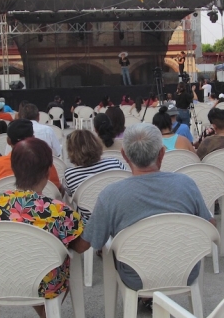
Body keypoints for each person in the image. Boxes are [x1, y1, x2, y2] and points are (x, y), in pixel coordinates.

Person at [0, 138, 90, 318]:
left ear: (14, 170)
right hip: (42, 282)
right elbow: (80, 247)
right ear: (47, 172)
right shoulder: (58, 211)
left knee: (28, 264)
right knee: (54, 266)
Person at [82, 123, 213, 303]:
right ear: (161, 153)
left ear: (124, 155)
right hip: (185, 270)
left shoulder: (110, 195)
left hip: (136, 277)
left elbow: (95, 241)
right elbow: (209, 228)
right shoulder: (186, 184)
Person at [0, 119, 61, 200]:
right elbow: (58, 192)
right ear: (33, 138)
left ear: (8, 141)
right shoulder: (45, 164)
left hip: (2, 215)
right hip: (41, 215)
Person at [63, 130, 127, 218]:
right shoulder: (115, 162)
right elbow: (128, 184)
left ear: (71, 151)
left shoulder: (70, 174)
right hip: (120, 218)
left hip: (91, 224)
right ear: (96, 144)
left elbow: (70, 197)